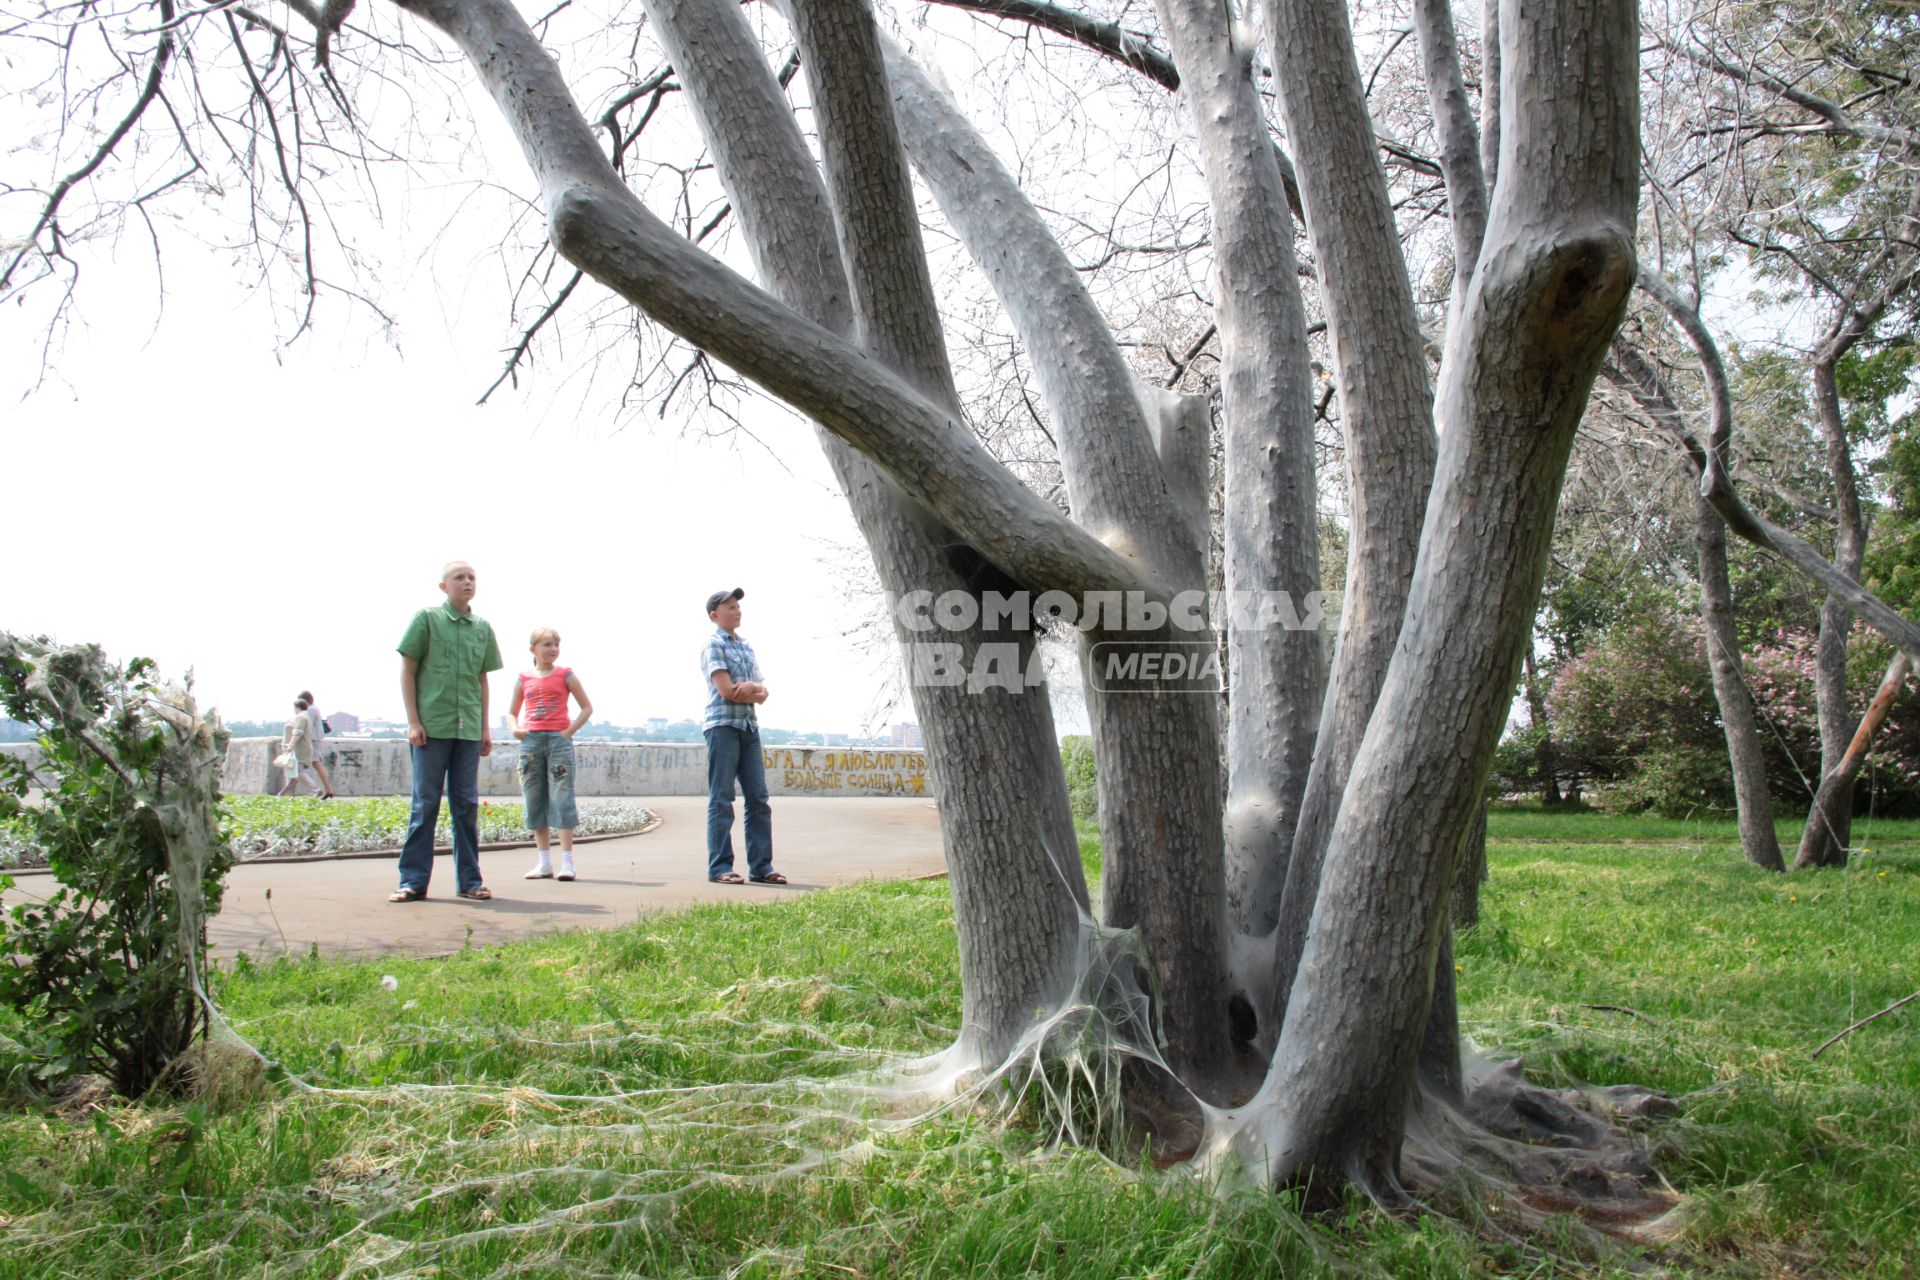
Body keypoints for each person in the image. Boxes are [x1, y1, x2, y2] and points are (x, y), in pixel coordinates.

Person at [390, 560, 503, 903]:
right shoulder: (427, 619)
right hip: (431, 728)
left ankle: (470, 881)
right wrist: (413, 720)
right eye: (459, 577)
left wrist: (484, 727)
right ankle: (412, 881)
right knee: (425, 805)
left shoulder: (482, 627)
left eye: (471, 577)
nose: (467, 582)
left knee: (466, 805)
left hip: (467, 729)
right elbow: (408, 670)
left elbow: (481, 680)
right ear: (444, 586)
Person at [700, 587, 785, 885]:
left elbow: (762, 692)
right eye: (731, 607)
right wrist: (750, 690)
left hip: (749, 728)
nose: (737, 611)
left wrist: (749, 689)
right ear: (715, 615)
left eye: (738, 606)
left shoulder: (746, 647)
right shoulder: (713, 645)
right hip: (722, 727)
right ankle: (720, 867)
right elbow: (726, 690)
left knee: (759, 798)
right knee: (722, 799)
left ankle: (762, 867)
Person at [510, 627, 594, 881]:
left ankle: (567, 862)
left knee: (562, 797)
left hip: (558, 742)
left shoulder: (566, 675)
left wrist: (567, 733)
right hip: (531, 743)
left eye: (556, 644)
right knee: (534, 799)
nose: (553, 649)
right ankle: (544, 862)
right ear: (533, 649)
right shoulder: (524, 678)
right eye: (547, 644)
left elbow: (586, 708)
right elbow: (513, 711)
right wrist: (515, 729)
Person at [277, 697, 319, 796]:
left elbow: (298, 732)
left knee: (297, 773)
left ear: (297, 707)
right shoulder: (306, 717)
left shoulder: (301, 717)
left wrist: (290, 745)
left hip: (298, 750)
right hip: (302, 749)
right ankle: (287, 795)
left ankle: (314, 789)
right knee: (293, 775)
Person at [298, 689, 336, 798]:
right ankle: (328, 789)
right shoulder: (315, 708)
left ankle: (323, 789)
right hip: (316, 739)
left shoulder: (311, 709)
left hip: (313, 740)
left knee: (311, 765)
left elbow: (305, 723)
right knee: (317, 764)